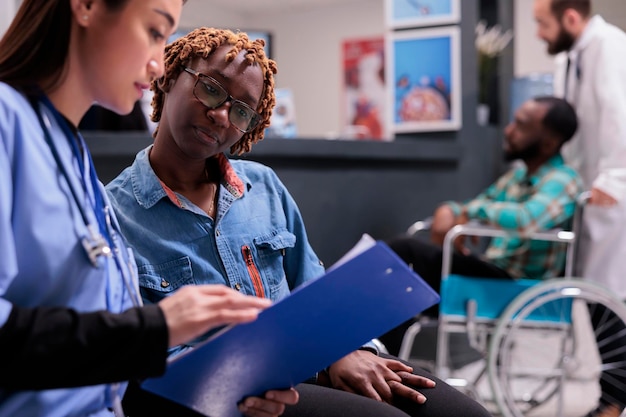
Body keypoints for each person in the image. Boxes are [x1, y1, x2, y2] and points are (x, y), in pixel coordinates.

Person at [106, 27, 492, 417]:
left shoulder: (263, 187)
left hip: (309, 363)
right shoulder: (113, 214)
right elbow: (142, 351)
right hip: (224, 395)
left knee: (462, 413)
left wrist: (348, 350)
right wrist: (323, 368)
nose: (221, 115)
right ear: (170, 77)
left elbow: (313, 289)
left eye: (242, 111)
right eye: (211, 89)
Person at [0, 1, 300, 417]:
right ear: (86, 7)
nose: (159, 65)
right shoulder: (7, 125)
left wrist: (230, 385)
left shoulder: (69, 154)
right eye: (156, 33)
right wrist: (158, 328)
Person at [378, 96, 583, 355]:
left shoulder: (564, 180)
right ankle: (383, 359)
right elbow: (474, 204)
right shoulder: (518, 177)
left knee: (404, 253)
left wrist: (467, 211)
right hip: (494, 274)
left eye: (520, 125)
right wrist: (448, 209)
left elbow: (524, 219)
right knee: (396, 274)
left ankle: (384, 361)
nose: (509, 130)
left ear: (549, 143)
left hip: (518, 285)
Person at [534, 1, 626, 415]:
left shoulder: (611, 48)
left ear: (571, 18)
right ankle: (611, 398)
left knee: (610, 302)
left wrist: (614, 178)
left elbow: (620, 118)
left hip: (614, 196)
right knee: (595, 299)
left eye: (543, 23)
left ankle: (613, 401)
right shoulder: (572, 58)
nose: (539, 33)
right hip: (587, 194)